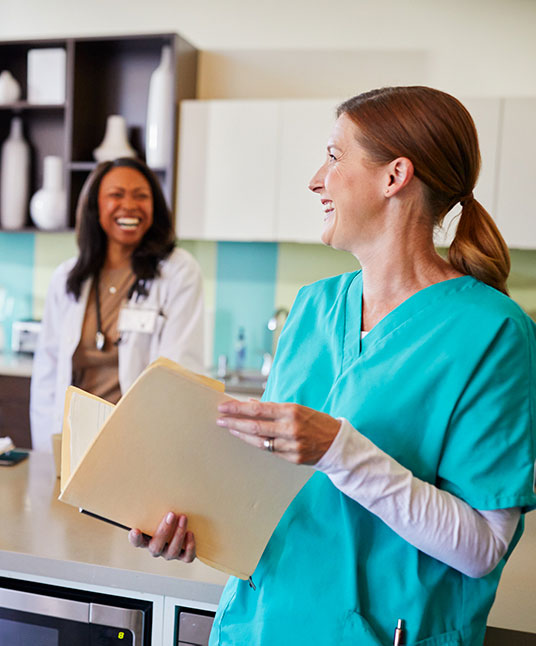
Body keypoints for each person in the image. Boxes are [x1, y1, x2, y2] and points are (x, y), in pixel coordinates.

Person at [128, 87, 536, 646]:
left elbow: (482, 547)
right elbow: (265, 488)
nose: (316, 180)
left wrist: (339, 450)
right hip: (259, 624)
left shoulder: (493, 333)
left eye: (334, 156)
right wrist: (195, 521)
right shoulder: (313, 307)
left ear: (394, 176)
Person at [31, 157, 204, 453]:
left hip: (139, 443)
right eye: (116, 195)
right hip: (74, 441)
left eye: (141, 195)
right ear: (95, 207)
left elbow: (178, 372)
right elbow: (47, 373)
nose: (130, 205)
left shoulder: (178, 272)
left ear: (155, 207)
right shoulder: (67, 278)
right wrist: (48, 449)